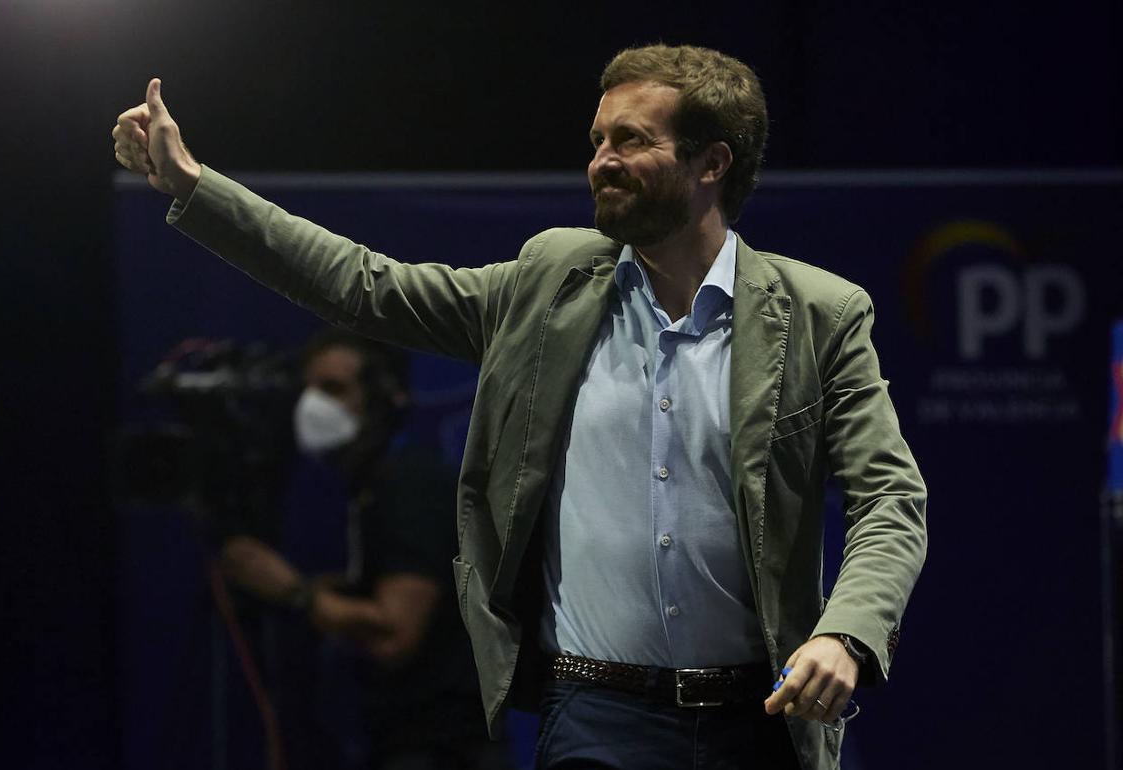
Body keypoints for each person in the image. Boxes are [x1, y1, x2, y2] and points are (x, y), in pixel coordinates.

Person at [113, 44, 927, 770]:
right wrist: (193, 188)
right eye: (598, 141)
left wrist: (844, 632)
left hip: (763, 718)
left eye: (631, 141)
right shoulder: (549, 282)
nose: (601, 161)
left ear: (713, 162)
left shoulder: (821, 313)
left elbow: (890, 497)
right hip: (596, 716)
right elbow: (364, 286)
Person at [219, 328, 510, 770]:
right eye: (307, 390)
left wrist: (290, 590)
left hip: (440, 749)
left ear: (381, 396)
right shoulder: (372, 488)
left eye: (333, 388)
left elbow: (395, 634)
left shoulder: (408, 486)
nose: (313, 406)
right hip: (407, 739)